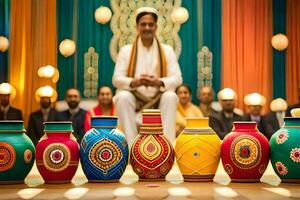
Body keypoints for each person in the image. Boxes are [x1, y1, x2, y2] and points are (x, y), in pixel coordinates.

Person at [112, 7, 182, 146]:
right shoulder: (126, 51)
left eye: (150, 24)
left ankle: (167, 148)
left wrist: (158, 82)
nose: (147, 27)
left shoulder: (167, 50)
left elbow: (178, 78)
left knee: (171, 96)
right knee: (122, 97)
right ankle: (131, 149)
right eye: (143, 24)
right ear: (137, 27)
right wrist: (134, 82)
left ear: (156, 27)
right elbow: (116, 79)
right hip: (135, 99)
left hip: (158, 98)